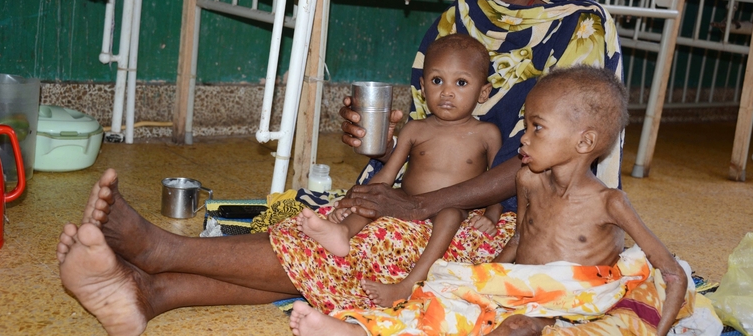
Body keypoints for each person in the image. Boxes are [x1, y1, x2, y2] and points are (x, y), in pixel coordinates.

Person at [55, 0, 625, 333]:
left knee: (368, 246)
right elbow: (434, 127)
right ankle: (150, 294)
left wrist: (420, 202)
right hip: (439, 195)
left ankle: (160, 250)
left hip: (505, 221)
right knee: (333, 223)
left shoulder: (579, 31)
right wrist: (376, 142)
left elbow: (544, 166)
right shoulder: (456, 25)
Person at [288, 65, 691, 336]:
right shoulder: (527, 181)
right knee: (440, 294)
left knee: (535, 327)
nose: (524, 139)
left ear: (584, 141)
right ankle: (358, 329)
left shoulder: (609, 203)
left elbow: (673, 273)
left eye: (536, 128)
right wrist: (480, 276)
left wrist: (661, 328)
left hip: (574, 298)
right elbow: (518, 241)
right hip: (520, 287)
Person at [298, 34, 503, 307]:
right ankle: (342, 233)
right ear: (422, 85)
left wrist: (491, 215)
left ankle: (408, 284)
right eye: (437, 80)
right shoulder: (415, 129)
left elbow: (496, 181)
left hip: (454, 210)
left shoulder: (487, 134)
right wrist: (357, 202)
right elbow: (387, 174)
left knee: (450, 214)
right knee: (378, 194)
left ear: (483, 92)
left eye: (461, 83)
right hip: (402, 203)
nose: (447, 92)